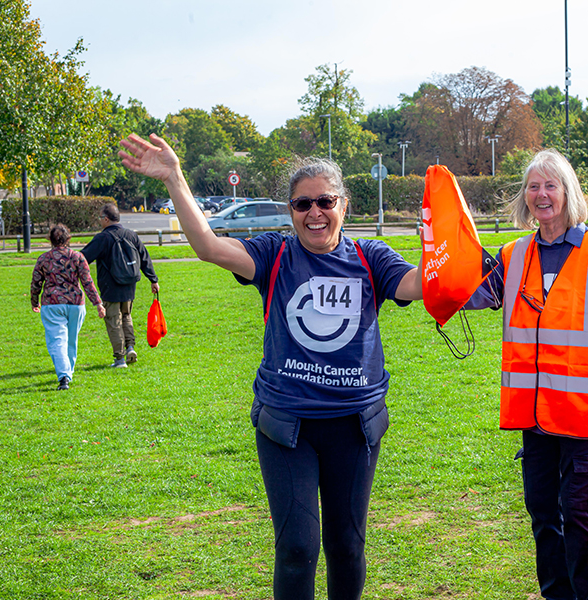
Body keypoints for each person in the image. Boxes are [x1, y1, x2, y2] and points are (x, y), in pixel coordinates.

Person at [118, 133, 423, 600]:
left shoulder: (370, 256)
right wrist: (176, 179)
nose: (315, 212)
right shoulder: (274, 253)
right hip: (287, 426)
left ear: (343, 205)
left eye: (325, 201)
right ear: (290, 211)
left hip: (355, 425)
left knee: (346, 545)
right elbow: (208, 247)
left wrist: (446, 247)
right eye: (303, 204)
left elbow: (415, 285)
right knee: (297, 548)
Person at [464, 149, 588, 600]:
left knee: (581, 518)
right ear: (525, 196)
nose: (541, 194)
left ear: (568, 193)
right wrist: (441, 257)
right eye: (533, 186)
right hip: (536, 419)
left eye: (551, 185)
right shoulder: (513, 255)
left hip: (587, 416)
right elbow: (469, 293)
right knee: (543, 513)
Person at [81, 203, 160, 368]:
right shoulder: (131, 235)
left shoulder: (103, 238)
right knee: (126, 315)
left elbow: (82, 258)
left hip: (110, 285)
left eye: (100, 218)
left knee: (113, 320)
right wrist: (153, 279)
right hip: (129, 284)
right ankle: (130, 347)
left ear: (106, 219)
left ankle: (120, 358)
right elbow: (144, 257)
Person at [31, 223, 107, 390]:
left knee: (57, 340)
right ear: (68, 238)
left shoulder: (43, 259)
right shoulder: (78, 257)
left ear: (50, 239)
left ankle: (64, 375)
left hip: (52, 303)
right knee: (71, 339)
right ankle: (68, 372)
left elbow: (36, 283)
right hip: (75, 303)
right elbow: (87, 282)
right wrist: (98, 303)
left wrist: (34, 301)